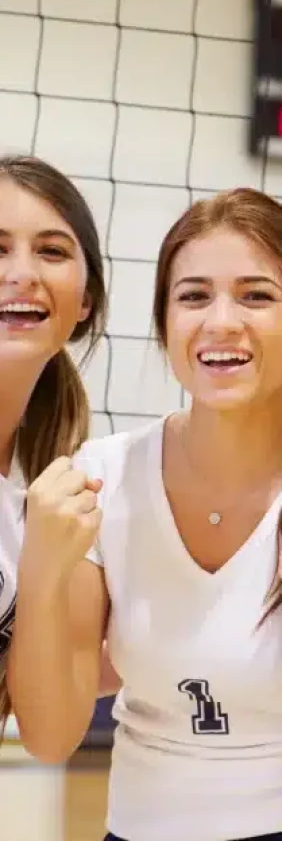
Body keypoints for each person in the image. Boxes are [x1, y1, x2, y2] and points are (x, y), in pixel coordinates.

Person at [9, 188, 282, 840]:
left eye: (256, 296)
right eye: (193, 296)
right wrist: (40, 572)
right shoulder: (103, 477)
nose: (221, 321)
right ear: (166, 324)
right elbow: (51, 737)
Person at [0, 154, 108, 731]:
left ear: (86, 299)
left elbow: (48, 687)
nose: (23, 273)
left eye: (51, 251)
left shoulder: (49, 484)